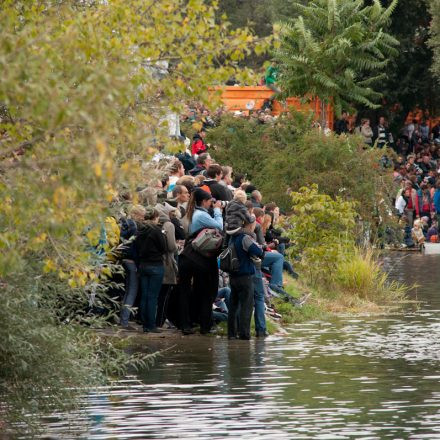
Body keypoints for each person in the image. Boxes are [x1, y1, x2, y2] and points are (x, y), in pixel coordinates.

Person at [178, 188, 223, 335]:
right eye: (210, 201)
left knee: (185, 292)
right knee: (206, 292)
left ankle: (186, 324)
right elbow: (219, 226)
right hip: (199, 258)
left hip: (187, 256)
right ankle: (205, 326)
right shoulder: (201, 215)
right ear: (203, 201)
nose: (212, 204)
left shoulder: (191, 214)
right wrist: (217, 211)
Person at [228, 217, 264, 340]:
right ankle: (244, 334)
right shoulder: (246, 238)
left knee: (233, 306)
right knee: (246, 306)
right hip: (245, 276)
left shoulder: (233, 237)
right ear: (250, 225)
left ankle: (231, 334)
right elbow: (257, 251)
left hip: (233, 276)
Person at [135, 207, 167, 333]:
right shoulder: (156, 230)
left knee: (144, 295)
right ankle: (151, 325)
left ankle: (144, 325)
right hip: (155, 265)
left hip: (143, 265)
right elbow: (163, 248)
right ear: (155, 217)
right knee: (153, 296)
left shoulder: (140, 230)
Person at [119, 205, 145, 329]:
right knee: (132, 291)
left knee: (128, 290)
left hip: (124, 259)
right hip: (132, 261)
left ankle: (123, 319)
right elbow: (135, 246)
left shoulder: (124, 224)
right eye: (142, 216)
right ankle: (124, 321)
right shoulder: (134, 226)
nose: (143, 218)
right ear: (137, 215)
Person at [154, 203, 178, 328]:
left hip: (154, 261)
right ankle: (159, 321)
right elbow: (171, 246)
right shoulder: (168, 225)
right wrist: (177, 246)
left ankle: (149, 320)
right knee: (164, 295)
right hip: (166, 263)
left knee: (154, 295)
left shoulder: (153, 224)